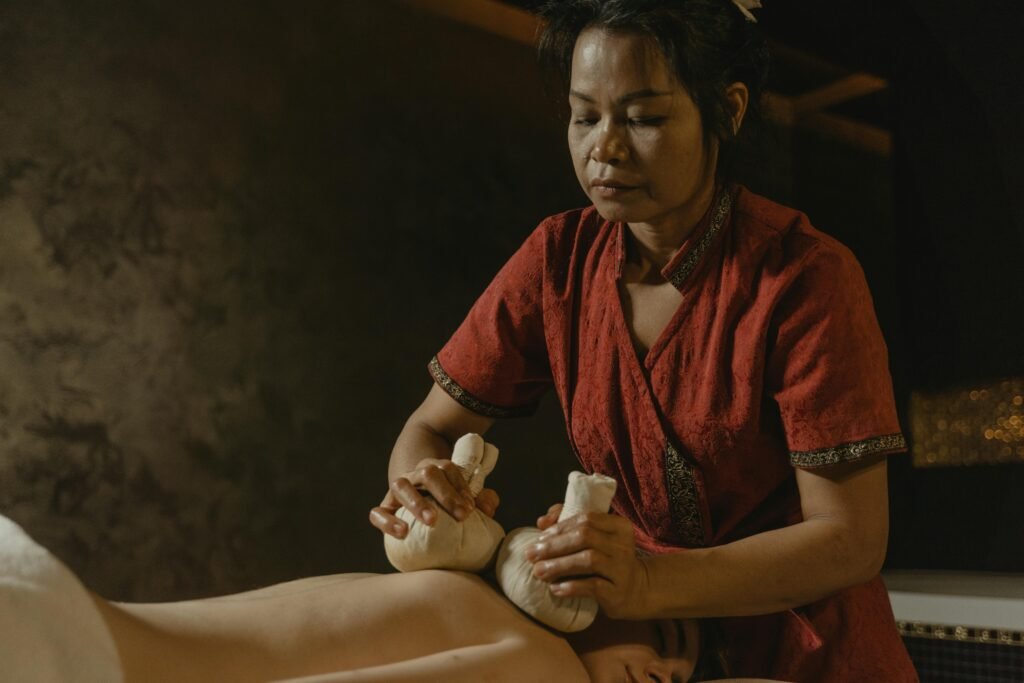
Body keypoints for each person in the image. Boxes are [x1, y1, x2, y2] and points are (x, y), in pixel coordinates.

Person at [369, 1, 918, 680]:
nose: (605, 146)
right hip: (644, 648)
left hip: (810, 656)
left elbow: (850, 541)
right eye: (583, 115)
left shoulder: (803, 277)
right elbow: (430, 426)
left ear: (729, 108)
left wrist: (647, 582)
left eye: (644, 117)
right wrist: (425, 490)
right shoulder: (556, 261)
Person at [4, 512, 769, 682]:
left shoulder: (448, 591)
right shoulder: (546, 668)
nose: (669, 681)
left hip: (48, 602)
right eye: (667, 640)